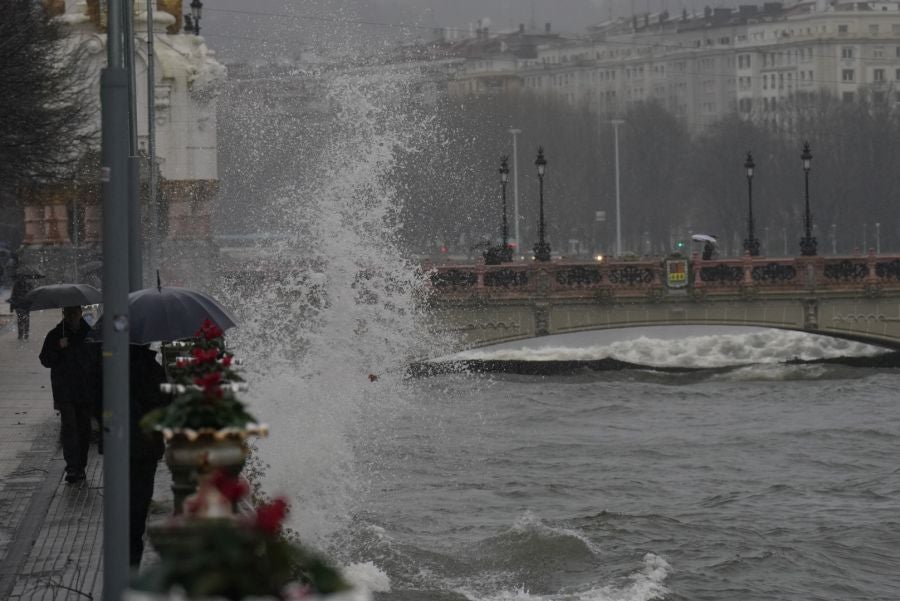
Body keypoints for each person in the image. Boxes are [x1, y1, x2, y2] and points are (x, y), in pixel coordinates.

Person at [39, 306, 100, 483]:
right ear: (64, 315)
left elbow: (96, 360)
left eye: (75, 313)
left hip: (84, 390)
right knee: (70, 427)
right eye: (69, 313)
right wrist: (59, 346)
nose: (72, 317)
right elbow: (45, 360)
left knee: (83, 428)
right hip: (64, 390)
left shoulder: (90, 335)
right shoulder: (56, 335)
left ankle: (80, 465)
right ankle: (72, 467)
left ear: (80, 313)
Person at [129, 343, 169, 567]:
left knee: (125, 496)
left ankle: (127, 550)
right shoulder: (153, 370)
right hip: (147, 446)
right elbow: (165, 406)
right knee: (140, 498)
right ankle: (133, 553)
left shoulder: (115, 367)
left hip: (122, 444)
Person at [9, 275, 35, 340]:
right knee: (24, 320)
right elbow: (13, 296)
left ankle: (22, 334)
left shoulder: (21, 285)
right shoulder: (27, 285)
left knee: (22, 320)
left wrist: (12, 307)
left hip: (22, 305)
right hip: (22, 305)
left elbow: (13, 296)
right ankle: (24, 334)